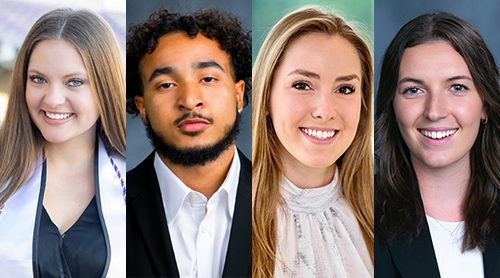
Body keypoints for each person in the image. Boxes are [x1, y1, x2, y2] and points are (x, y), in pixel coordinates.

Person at [126, 8, 252, 277]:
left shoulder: (284, 200)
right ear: (143, 108)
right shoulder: (113, 203)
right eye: (166, 84)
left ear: (239, 95)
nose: (190, 99)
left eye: (208, 78)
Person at [0, 8, 126, 278]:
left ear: (105, 87)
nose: (53, 99)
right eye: (38, 79)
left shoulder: (140, 179)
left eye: (74, 82)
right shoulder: (3, 171)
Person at [375, 12, 500, 278]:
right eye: (413, 90)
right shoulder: (359, 214)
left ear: (485, 105)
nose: (434, 112)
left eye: (457, 87)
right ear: (392, 106)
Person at [252, 6, 374, 277]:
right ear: (266, 96)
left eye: (345, 89)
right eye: (302, 85)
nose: (325, 110)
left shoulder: (387, 214)